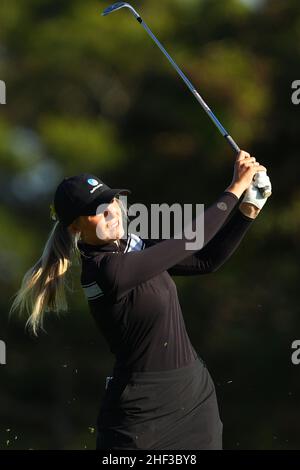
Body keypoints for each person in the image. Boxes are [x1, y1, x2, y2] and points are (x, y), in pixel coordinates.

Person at [10, 150, 271, 450]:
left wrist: (250, 206)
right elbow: (189, 240)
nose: (112, 211)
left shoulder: (132, 248)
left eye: (111, 201)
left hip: (195, 401)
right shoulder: (104, 271)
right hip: (140, 418)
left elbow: (205, 260)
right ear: (74, 227)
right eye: (97, 209)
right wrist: (234, 189)